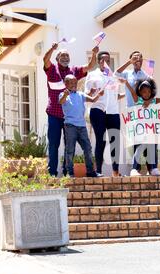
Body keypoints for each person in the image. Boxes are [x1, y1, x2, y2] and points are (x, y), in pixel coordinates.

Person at [43, 42, 99, 177]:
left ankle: (67, 172)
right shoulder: (51, 69)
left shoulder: (73, 71)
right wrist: (52, 48)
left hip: (71, 118)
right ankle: (52, 173)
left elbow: (90, 66)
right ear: (57, 58)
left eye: (67, 55)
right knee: (54, 144)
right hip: (55, 114)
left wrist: (94, 53)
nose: (65, 58)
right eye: (62, 55)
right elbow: (45, 59)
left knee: (70, 146)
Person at [85, 51, 126, 177]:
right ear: (98, 62)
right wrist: (93, 93)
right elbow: (87, 94)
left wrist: (128, 95)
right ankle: (98, 171)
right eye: (103, 60)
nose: (106, 63)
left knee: (115, 141)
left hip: (113, 111)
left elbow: (115, 95)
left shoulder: (113, 77)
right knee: (100, 140)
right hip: (98, 110)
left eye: (108, 60)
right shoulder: (92, 75)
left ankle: (115, 171)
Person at [59, 75, 104, 178]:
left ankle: (90, 172)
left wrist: (98, 94)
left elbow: (92, 100)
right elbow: (60, 101)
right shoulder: (63, 94)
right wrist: (65, 95)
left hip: (82, 126)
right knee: (70, 150)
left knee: (87, 148)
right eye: (71, 83)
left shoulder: (80, 94)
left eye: (75, 82)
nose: (74, 84)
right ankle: (69, 173)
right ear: (66, 84)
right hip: (70, 126)